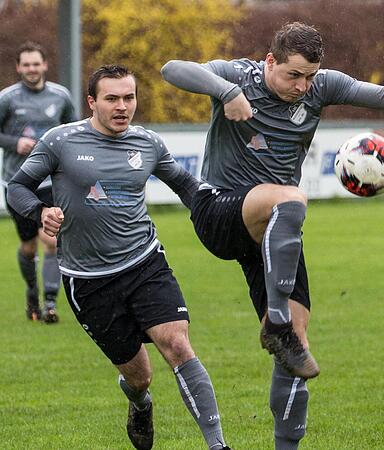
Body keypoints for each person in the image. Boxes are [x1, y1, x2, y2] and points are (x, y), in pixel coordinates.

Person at [160, 21, 384, 450]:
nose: (303, 86)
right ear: (270, 62)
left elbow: (379, 96)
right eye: (293, 75)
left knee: (299, 351)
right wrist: (227, 93)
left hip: (273, 230)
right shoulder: (238, 76)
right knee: (292, 198)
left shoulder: (321, 86)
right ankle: (278, 325)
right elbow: (172, 68)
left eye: (309, 76)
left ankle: (285, 413)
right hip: (219, 210)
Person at [7, 65, 231, 450]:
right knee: (140, 375)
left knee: (177, 345)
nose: (122, 106)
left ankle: (217, 444)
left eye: (129, 97)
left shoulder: (148, 144)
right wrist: (40, 211)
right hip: (88, 280)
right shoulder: (60, 141)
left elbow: (185, 184)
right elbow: (18, 187)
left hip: (145, 263)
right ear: (92, 102)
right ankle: (140, 403)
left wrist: (217, 209)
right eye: (112, 98)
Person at [0, 41, 78, 323]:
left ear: (44, 65)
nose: (32, 69)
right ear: (19, 67)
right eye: (26, 64)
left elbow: (74, 130)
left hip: (51, 182)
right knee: (29, 246)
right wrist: (13, 142)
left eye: (36, 63)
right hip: (18, 183)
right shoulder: (7, 99)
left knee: (52, 240)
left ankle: (50, 303)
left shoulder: (61, 96)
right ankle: (32, 292)